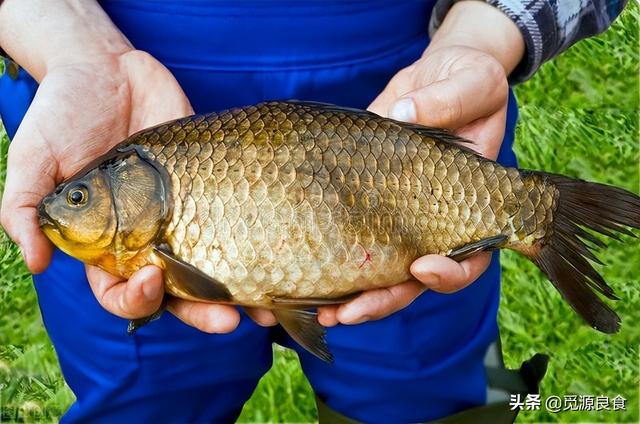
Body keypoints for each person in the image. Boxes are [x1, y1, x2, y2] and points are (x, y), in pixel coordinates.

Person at [0, 0, 628, 422]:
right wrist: (62, 40)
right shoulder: (129, 199)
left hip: (414, 93)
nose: (67, 204)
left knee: (431, 396)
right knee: (144, 402)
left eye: (78, 196)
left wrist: (489, 30)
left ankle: (539, 221)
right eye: (77, 198)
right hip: (111, 96)